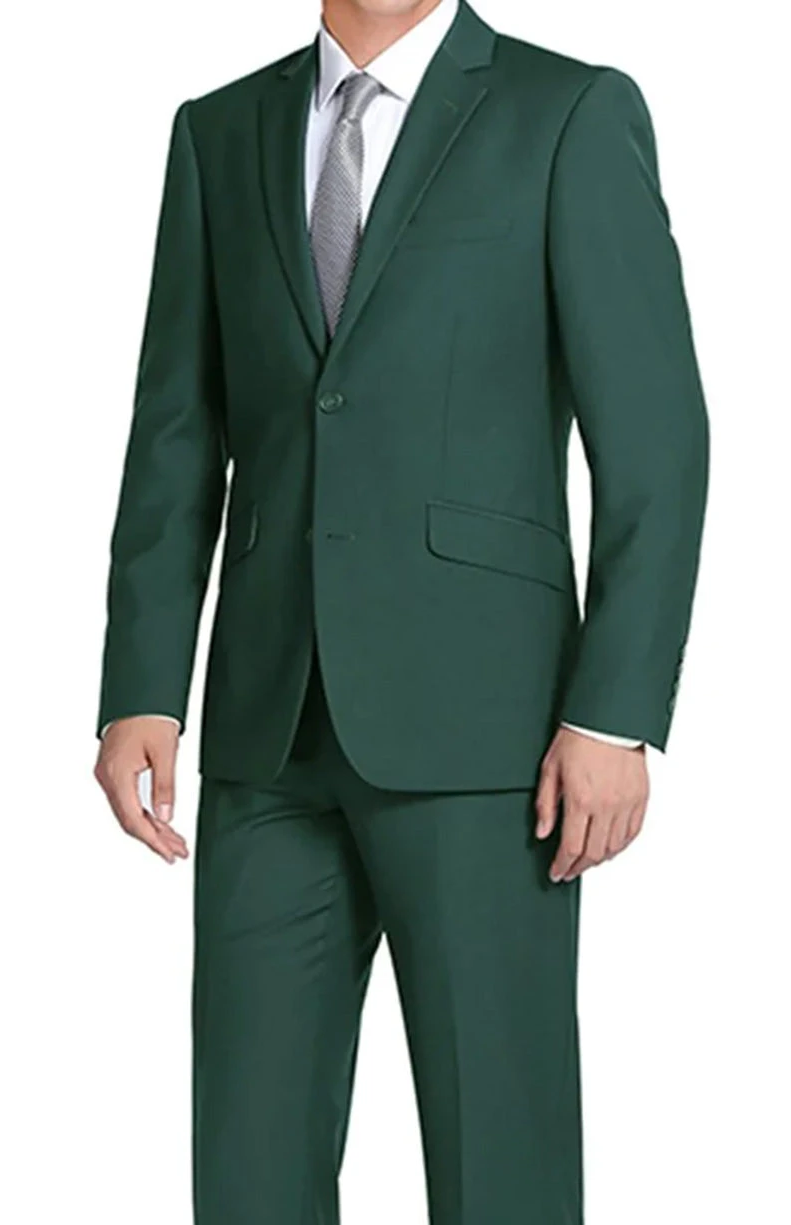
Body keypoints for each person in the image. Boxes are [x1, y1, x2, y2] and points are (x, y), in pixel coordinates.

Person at [93, 1, 709, 1221]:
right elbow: (174, 433)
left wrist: (613, 711)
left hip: (490, 738)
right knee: (246, 1171)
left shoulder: (565, 112)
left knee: (499, 1170)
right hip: (268, 731)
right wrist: (142, 687)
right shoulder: (217, 131)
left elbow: (656, 442)